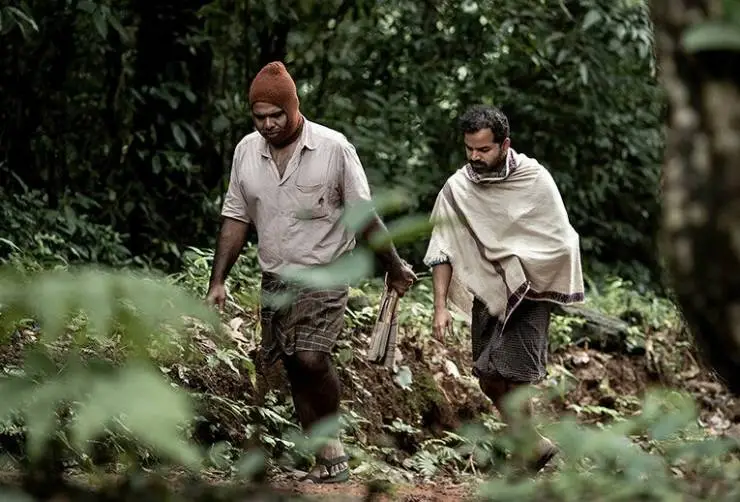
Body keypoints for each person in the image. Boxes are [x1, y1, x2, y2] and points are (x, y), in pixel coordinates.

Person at [205, 61, 416, 483]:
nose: (268, 124)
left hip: (325, 273)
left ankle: (331, 440)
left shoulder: (334, 149)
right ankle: (325, 459)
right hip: (276, 276)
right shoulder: (246, 151)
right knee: (292, 363)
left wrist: (393, 266)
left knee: (311, 357)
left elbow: (363, 214)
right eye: (259, 117)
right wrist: (218, 280)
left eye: (276, 115)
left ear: (293, 108)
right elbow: (235, 218)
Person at [423, 104, 585, 472]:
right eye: (469, 149)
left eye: (484, 149)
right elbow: (442, 248)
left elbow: (560, 238)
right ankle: (534, 444)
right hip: (487, 291)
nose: (475, 157)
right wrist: (440, 307)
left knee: (516, 376)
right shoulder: (457, 188)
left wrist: (523, 264)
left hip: (531, 291)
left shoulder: (534, 179)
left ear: (504, 144)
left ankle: (524, 455)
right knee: (488, 378)